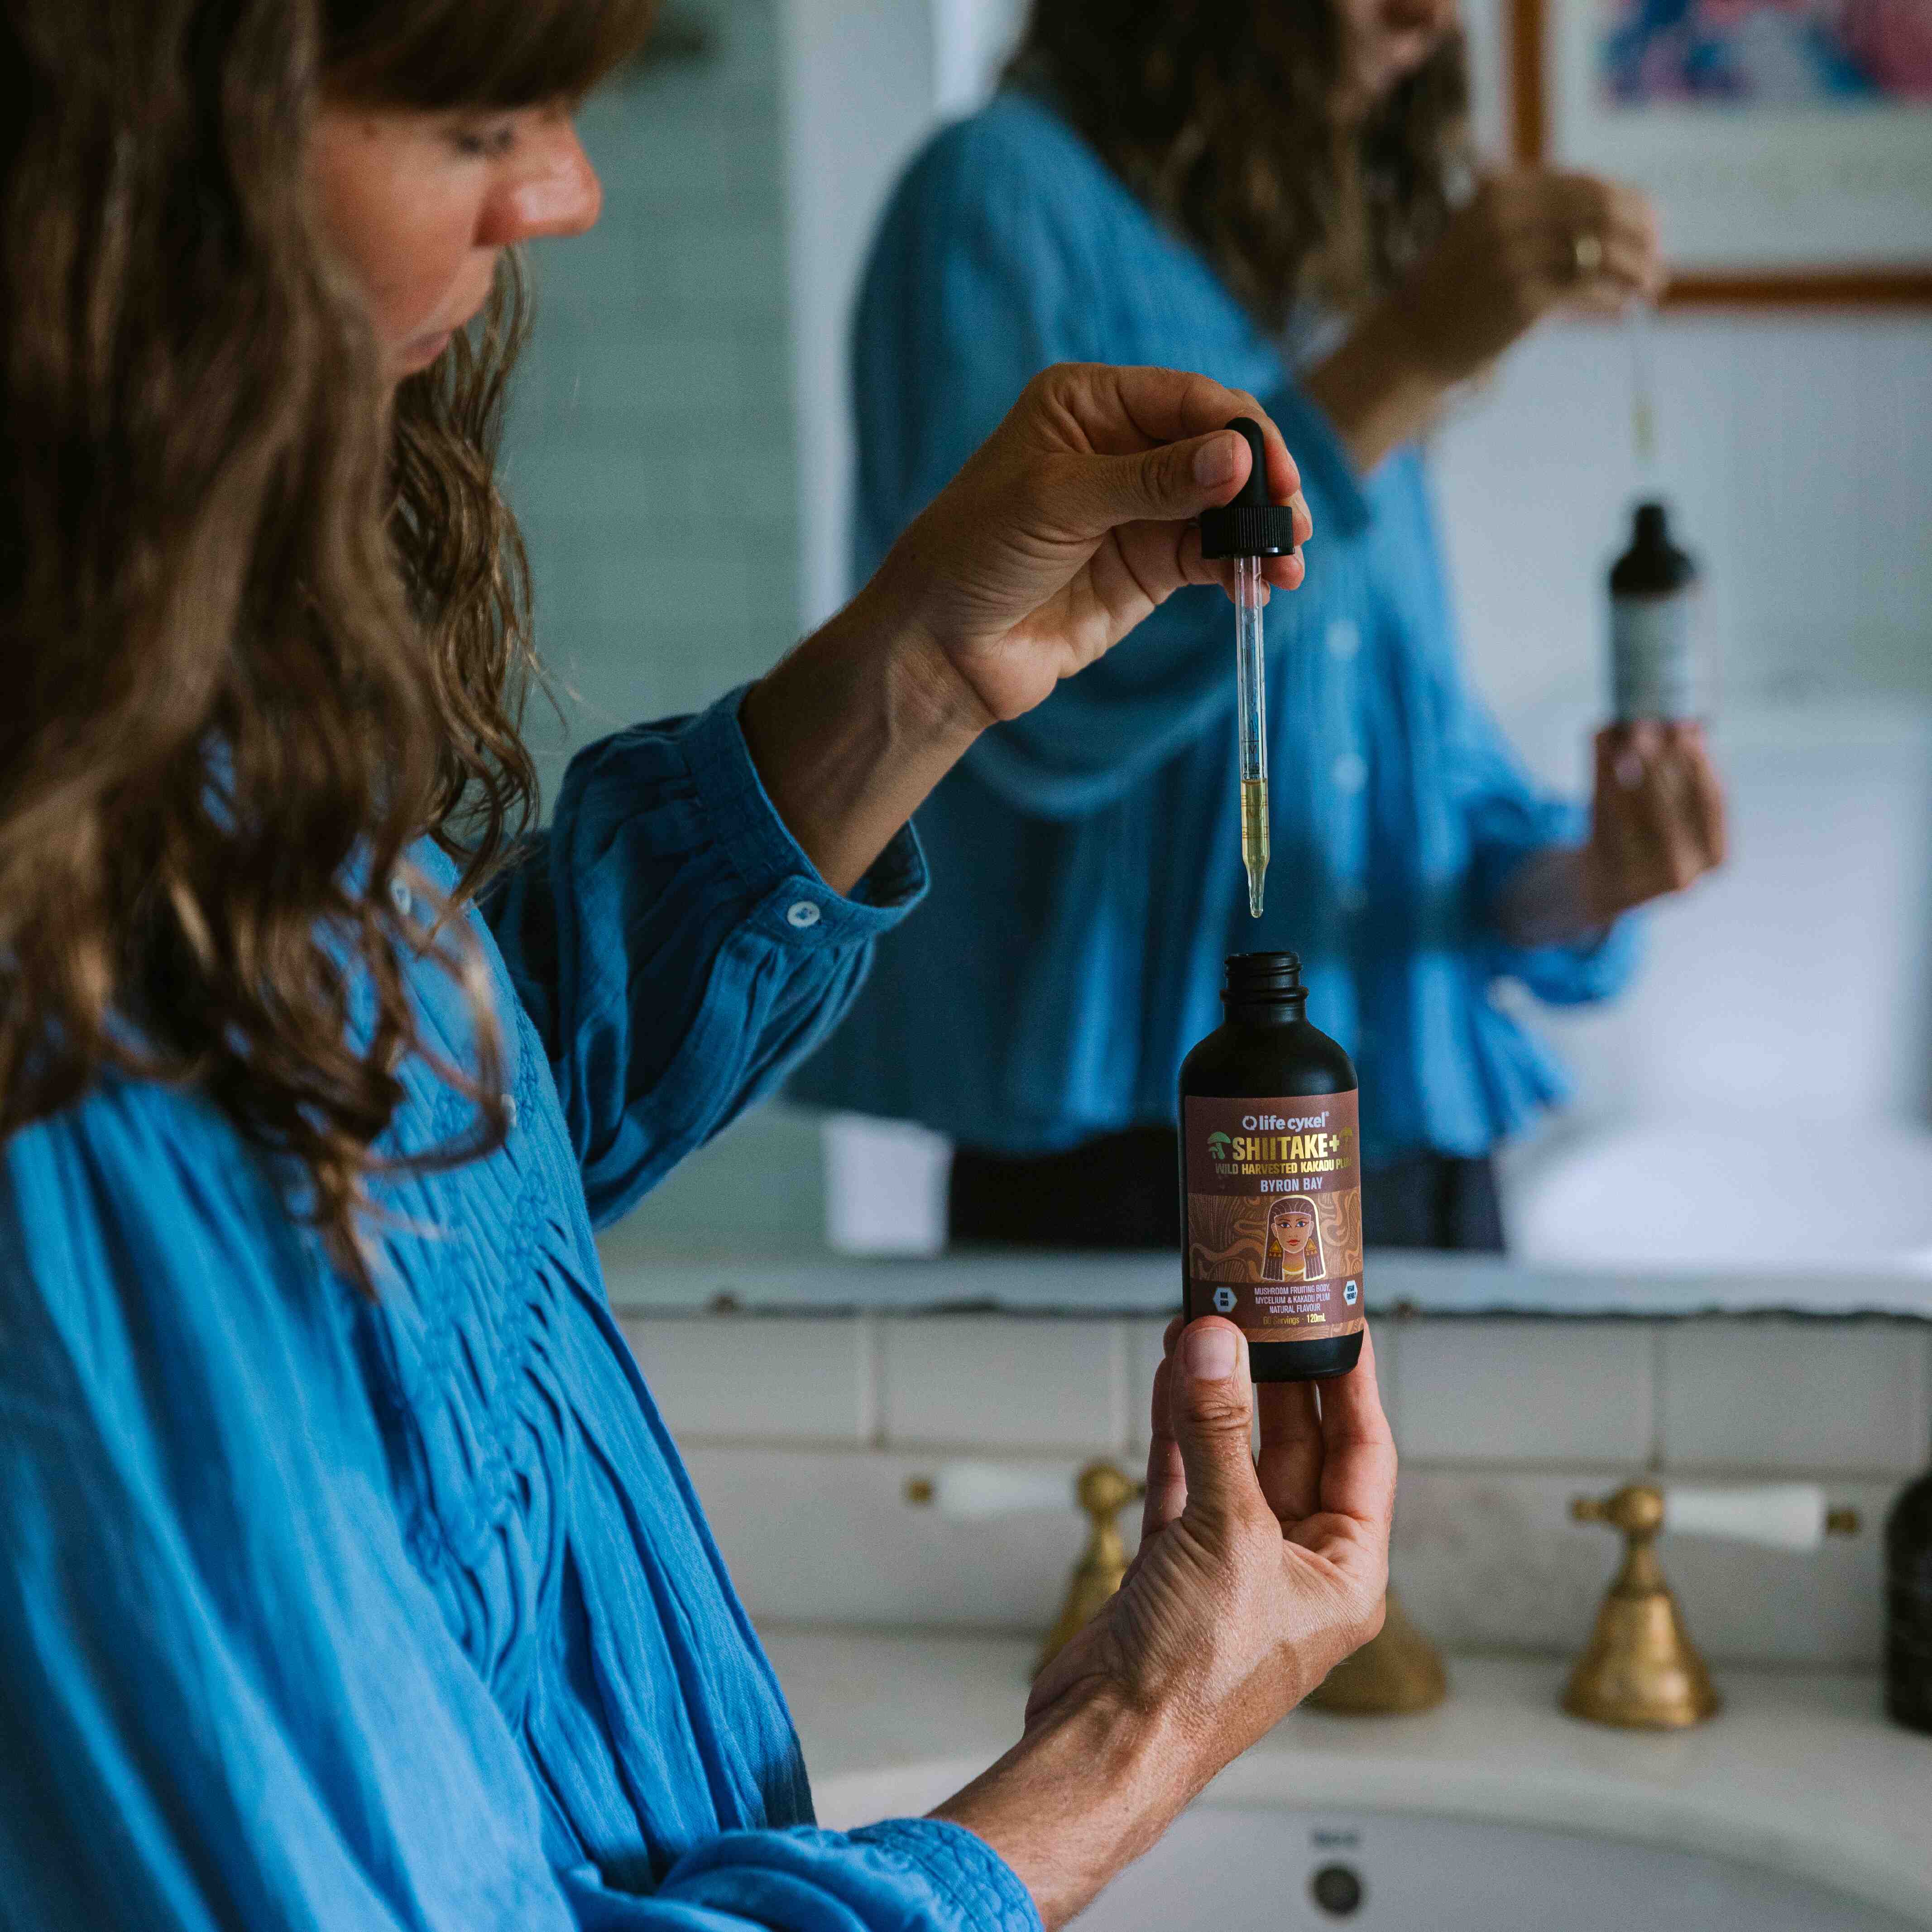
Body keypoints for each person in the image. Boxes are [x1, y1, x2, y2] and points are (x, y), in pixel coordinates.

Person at [0, 3, 1395, 1928]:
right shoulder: (51, 1015)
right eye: (481, 117)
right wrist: (1118, 1756)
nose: (565, 194)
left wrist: (919, 672)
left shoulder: (155, 757)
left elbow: (433, 1178)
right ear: (103, 179)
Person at [793, 0, 1728, 1255]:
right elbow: (1007, 705)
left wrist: (1587, 881)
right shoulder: (993, 199)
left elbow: (1404, 767)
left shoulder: (1304, 274)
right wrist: (1398, 358)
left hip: (1422, 1161)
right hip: (1141, 1171)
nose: (1425, 21)